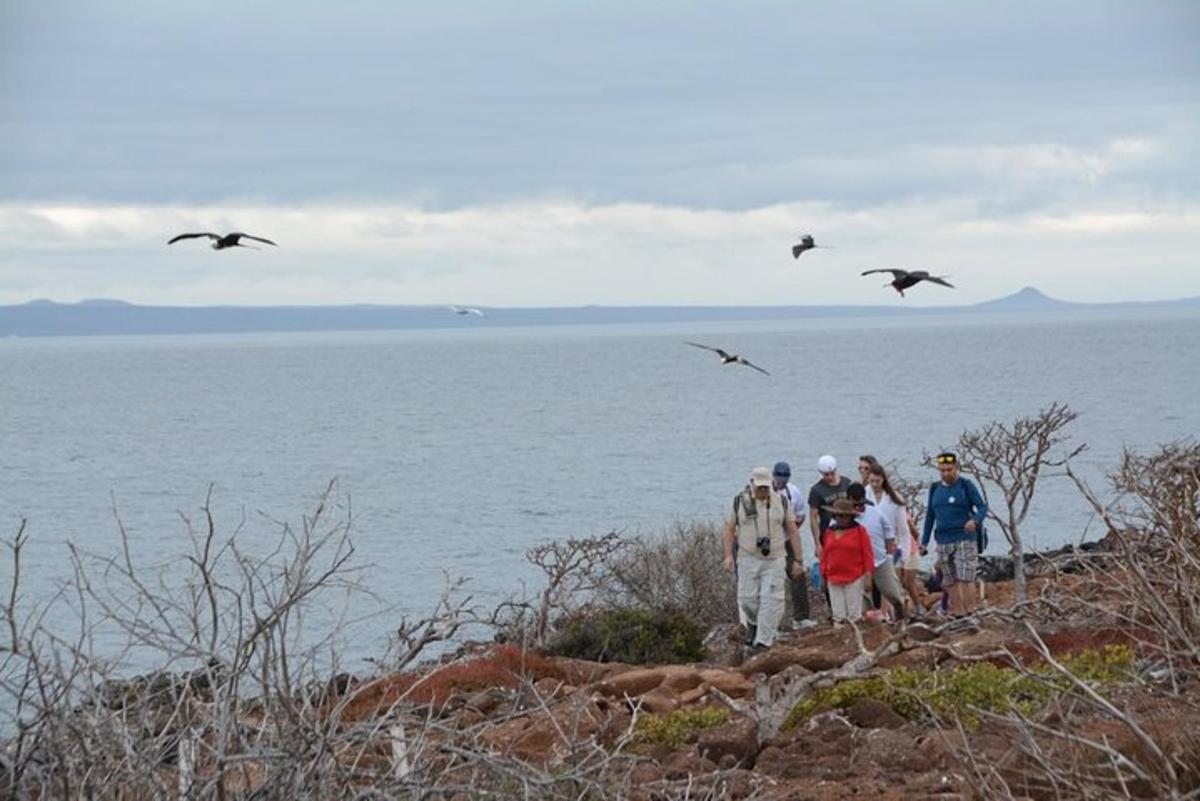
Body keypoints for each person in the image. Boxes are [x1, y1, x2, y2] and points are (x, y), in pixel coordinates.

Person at [723, 466, 805, 650]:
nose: (763, 490)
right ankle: (753, 624)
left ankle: (763, 642)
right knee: (747, 599)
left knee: (772, 600)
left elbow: (792, 529)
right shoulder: (740, 502)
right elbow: (729, 529)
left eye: (766, 487)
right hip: (747, 557)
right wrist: (728, 555)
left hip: (774, 558)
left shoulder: (781, 502)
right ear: (752, 484)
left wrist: (798, 559)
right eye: (759, 487)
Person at [920, 452, 988, 616]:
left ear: (956, 468)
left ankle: (971, 610)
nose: (946, 473)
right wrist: (924, 542)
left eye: (949, 470)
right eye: (942, 470)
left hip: (964, 536)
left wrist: (976, 521)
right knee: (949, 579)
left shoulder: (965, 485)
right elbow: (930, 515)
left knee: (965, 575)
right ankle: (958, 612)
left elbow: (982, 507)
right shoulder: (935, 488)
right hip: (943, 539)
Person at [865, 463, 924, 614]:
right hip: (875, 545)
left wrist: (903, 554)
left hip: (894, 544)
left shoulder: (894, 498)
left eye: (877, 481)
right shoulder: (866, 494)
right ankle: (882, 612)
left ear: (883, 480)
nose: (874, 485)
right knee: (874, 582)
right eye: (871, 481)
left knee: (892, 581)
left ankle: (892, 612)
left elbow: (904, 529)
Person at [846, 482, 906, 621]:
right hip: (857, 566)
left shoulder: (876, 513)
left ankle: (901, 619)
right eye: (854, 505)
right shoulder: (841, 519)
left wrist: (890, 556)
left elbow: (889, 535)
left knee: (893, 593)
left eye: (861, 504)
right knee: (860, 601)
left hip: (880, 561)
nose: (858, 508)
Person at [771, 461, 816, 630]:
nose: (781, 481)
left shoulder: (794, 492)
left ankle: (801, 617)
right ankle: (773, 624)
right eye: (779, 477)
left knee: (798, 575)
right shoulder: (765, 491)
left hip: (787, 542)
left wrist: (792, 531)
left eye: (784, 478)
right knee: (773, 583)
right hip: (771, 546)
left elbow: (801, 515)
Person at [818, 498, 876, 626]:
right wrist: (823, 575)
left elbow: (868, 555)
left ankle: (855, 640)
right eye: (838, 515)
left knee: (854, 615)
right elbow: (825, 555)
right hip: (833, 577)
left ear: (850, 517)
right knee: (838, 616)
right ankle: (840, 641)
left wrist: (868, 575)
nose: (841, 518)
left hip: (854, 577)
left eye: (844, 516)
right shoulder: (829, 532)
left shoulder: (860, 531)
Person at [807, 455, 853, 560]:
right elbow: (813, 517)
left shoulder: (846, 483)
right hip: (828, 534)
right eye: (826, 475)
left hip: (848, 531)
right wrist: (817, 544)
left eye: (832, 473)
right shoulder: (816, 490)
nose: (830, 477)